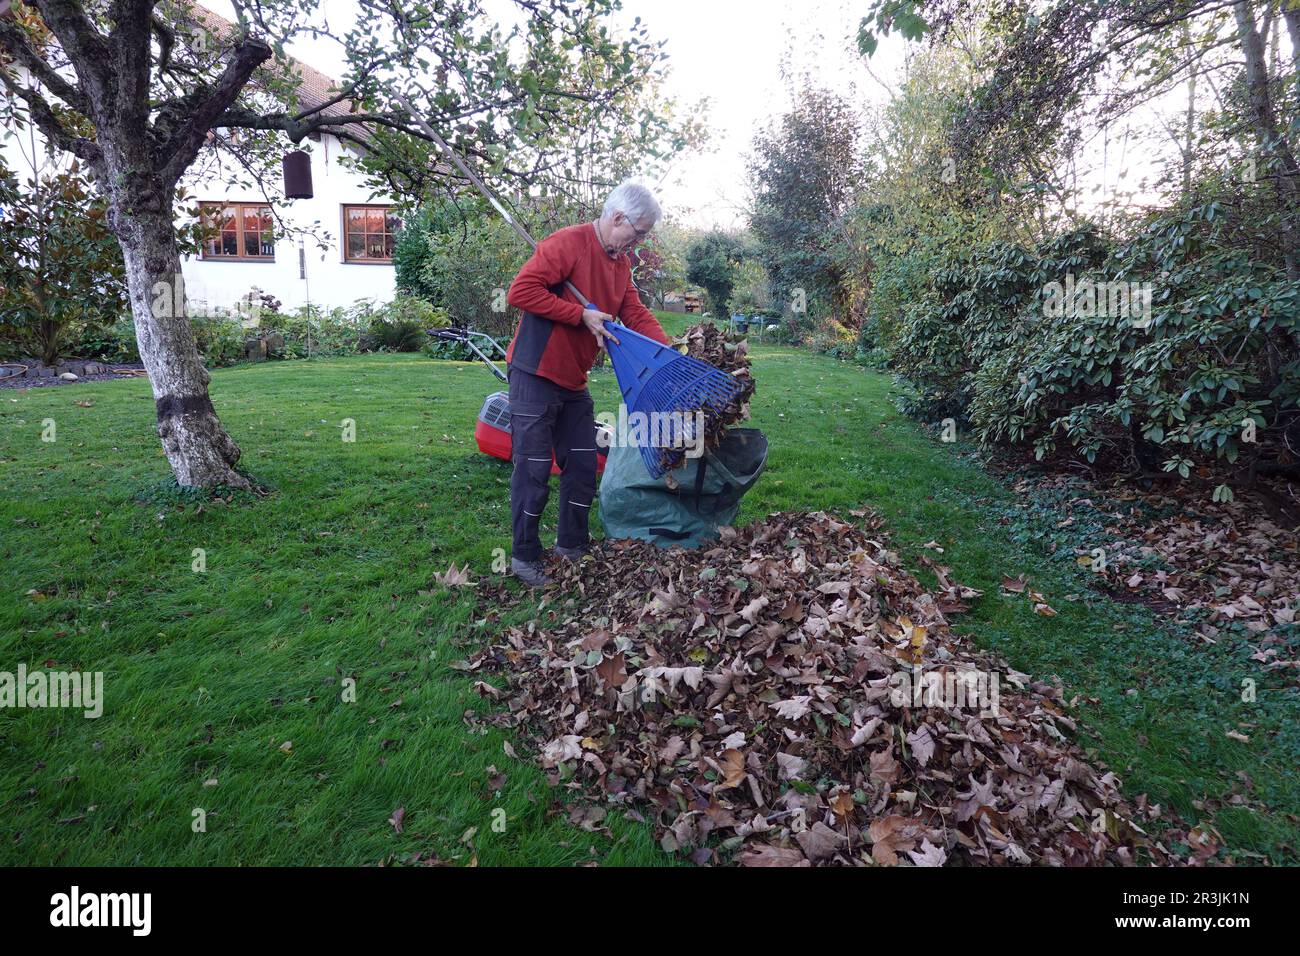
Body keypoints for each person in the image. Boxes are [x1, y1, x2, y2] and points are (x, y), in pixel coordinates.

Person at [503, 180, 671, 587]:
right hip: (534, 373)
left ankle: (572, 546)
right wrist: (580, 316)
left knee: (581, 464)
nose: (639, 241)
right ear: (618, 218)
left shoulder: (620, 265)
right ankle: (525, 556)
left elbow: (633, 311)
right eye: (639, 232)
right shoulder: (568, 243)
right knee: (535, 468)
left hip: (573, 381)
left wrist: (669, 351)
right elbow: (520, 291)